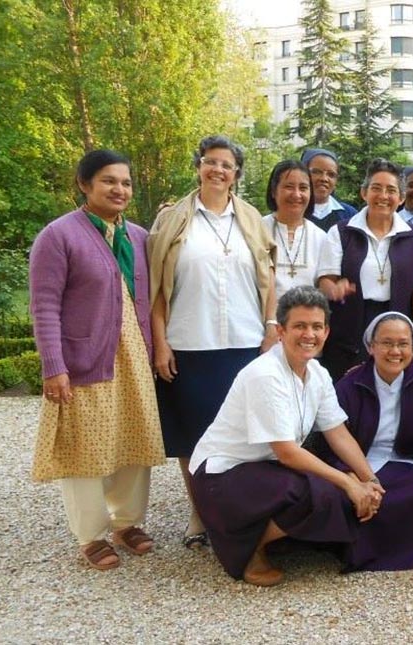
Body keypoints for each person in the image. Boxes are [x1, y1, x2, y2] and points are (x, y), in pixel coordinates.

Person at [189, 287, 383, 586]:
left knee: (331, 489)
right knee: (320, 492)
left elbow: (338, 433)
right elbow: (287, 453)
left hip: (262, 469)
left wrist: (369, 480)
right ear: (280, 331)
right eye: (300, 326)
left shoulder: (317, 372)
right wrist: (349, 483)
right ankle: (243, 546)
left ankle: (259, 531)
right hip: (221, 477)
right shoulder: (265, 374)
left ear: (327, 332)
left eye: (317, 326)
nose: (309, 334)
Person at [29, 150, 164, 571]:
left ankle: (127, 523)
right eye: (109, 181)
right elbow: (45, 306)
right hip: (85, 357)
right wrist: (54, 366)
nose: (119, 189)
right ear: (84, 184)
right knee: (84, 448)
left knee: (133, 439)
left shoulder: (138, 237)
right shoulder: (59, 236)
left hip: (132, 357)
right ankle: (90, 535)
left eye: (125, 182)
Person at [148, 135, 277, 548]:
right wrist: (161, 342)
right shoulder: (172, 220)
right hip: (190, 342)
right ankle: (199, 515)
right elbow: (156, 288)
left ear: (237, 174)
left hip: (244, 342)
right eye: (211, 162)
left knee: (244, 434)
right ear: (199, 166)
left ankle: (239, 512)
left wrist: (271, 326)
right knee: (196, 436)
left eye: (227, 165)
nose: (218, 170)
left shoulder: (252, 219)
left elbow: (268, 276)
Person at [328, 312, 413, 571]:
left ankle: (398, 552)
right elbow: (330, 437)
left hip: (402, 457)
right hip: (357, 460)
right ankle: (359, 552)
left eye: (403, 344)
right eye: (386, 343)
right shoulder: (349, 385)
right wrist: (348, 474)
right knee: (352, 497)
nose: (395, 351)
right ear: (371, 347)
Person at [317, 158, 413, 380]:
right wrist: (334, 288)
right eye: (376, 188)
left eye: (391, 190)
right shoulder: (342, 232)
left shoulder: (412, 235)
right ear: (364, 193)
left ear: (400, 198)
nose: (383, 196)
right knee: (350, 389)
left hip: (396, 322)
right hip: (352, 324)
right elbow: (325, 281)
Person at [261, 160, 327, 300]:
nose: (297, 195)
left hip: (307, 319)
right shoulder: (258, 230)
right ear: (274, 191)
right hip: (262, 318)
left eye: (303, 188)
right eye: (289, 187)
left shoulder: (321, 237)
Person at [300, 148, 358, 231]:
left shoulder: (349, 215)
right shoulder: (292, 210)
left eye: (331, 174)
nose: (324, 179)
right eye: (316, 172)